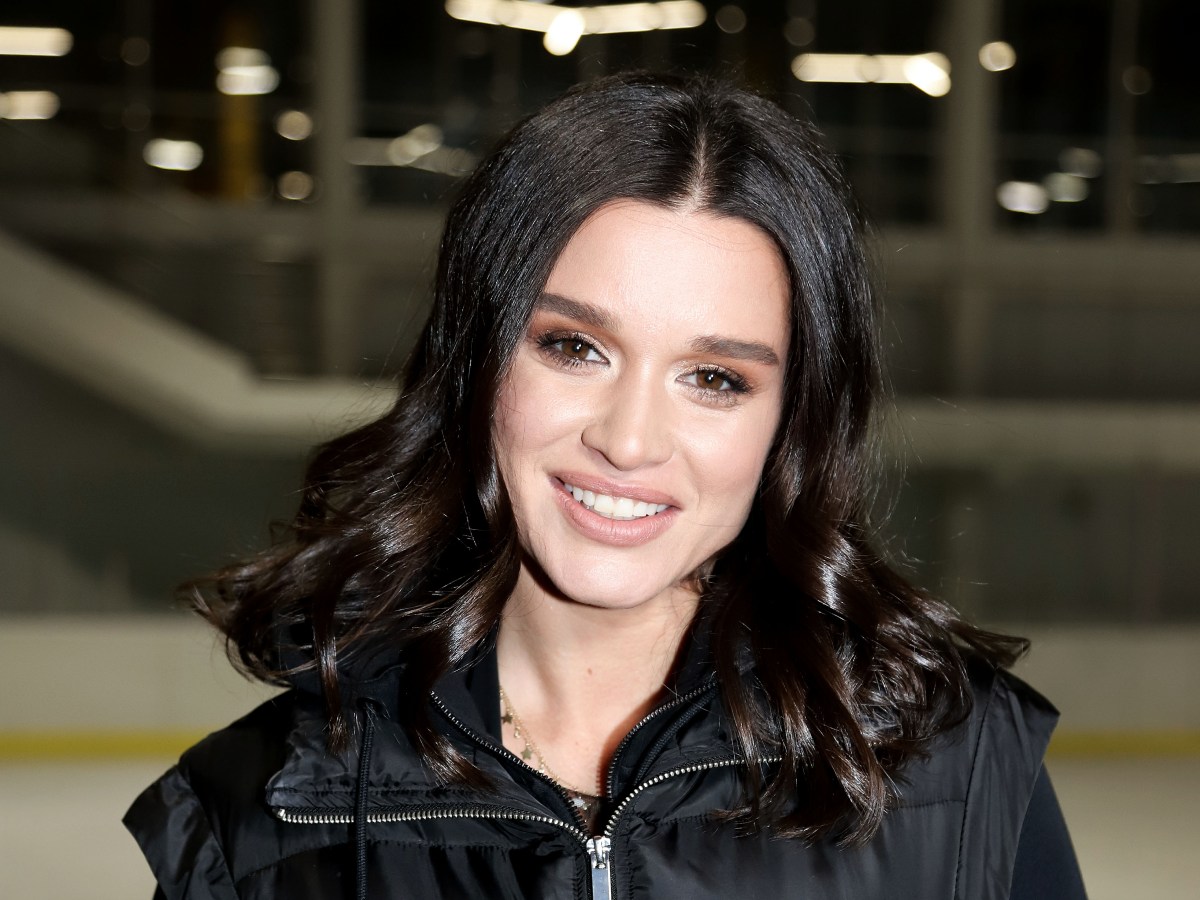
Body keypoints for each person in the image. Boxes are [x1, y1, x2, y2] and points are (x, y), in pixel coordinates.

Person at [125, 72, 1086, 899]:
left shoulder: (961, 771)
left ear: (791, 421)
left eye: (715, 378)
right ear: (478, 362)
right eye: (574, 347)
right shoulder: (260, 815)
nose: (628, 441)